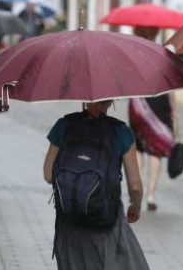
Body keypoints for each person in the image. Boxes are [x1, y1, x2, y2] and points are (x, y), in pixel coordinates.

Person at [43, 100, 149, 270]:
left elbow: (48, 175)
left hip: (68, 223)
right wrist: (135, 207)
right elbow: (135, 186)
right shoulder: (121, 132)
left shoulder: (64, 125)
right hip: (106, 222)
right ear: (112, 100)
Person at [128, 26, 176, 211]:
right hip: (160, 103)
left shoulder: (133, 53)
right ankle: (150, 194)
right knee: (156, 151)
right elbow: (170, 84)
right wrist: (174, 110)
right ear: (156, 33)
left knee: (138, 148)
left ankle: (137, 191)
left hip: (138, 104)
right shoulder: (163, 54)